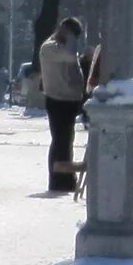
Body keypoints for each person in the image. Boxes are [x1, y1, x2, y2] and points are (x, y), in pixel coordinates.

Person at [35, 17, 91, 194]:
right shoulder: (50, 47)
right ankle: (58, 180)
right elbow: (68, 56)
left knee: (66, 141)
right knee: (60, 141)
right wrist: (70, 38)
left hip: (68, 100)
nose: (71, 38)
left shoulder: (63, 46)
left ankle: (66, 178)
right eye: (71, 33)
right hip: (58, 100)